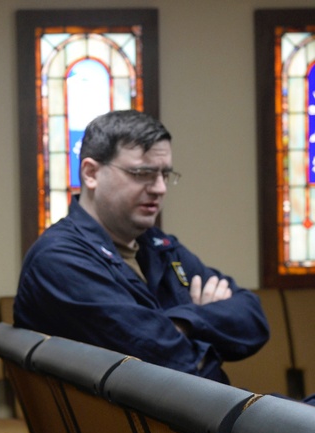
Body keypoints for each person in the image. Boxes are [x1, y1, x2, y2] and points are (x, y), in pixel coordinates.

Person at [14, 109, 269, 383]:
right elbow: (172, 363)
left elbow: (253, 319)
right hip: (152, 422)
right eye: (142, 173)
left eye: (165, 174)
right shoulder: (59, 259)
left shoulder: (158, 245)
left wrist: (183, 323)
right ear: (91, 173)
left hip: (198, 413)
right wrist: (207, 326)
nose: (160, 188)